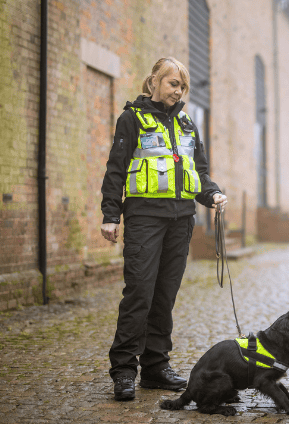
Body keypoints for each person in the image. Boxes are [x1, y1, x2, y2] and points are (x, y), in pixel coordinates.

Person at [100, 57, 227, 401]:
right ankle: (124, 370)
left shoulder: (187, 123)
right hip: (144, 219)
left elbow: (198, 171)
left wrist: (212, 193)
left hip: (181, 221)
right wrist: (110, 214)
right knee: (139, 292)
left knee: (164, 297)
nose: (179, 91)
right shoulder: (131, 119)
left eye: (183, 86)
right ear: (154, 81)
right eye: (173, 84)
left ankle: (156, 367)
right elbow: (116, 169)